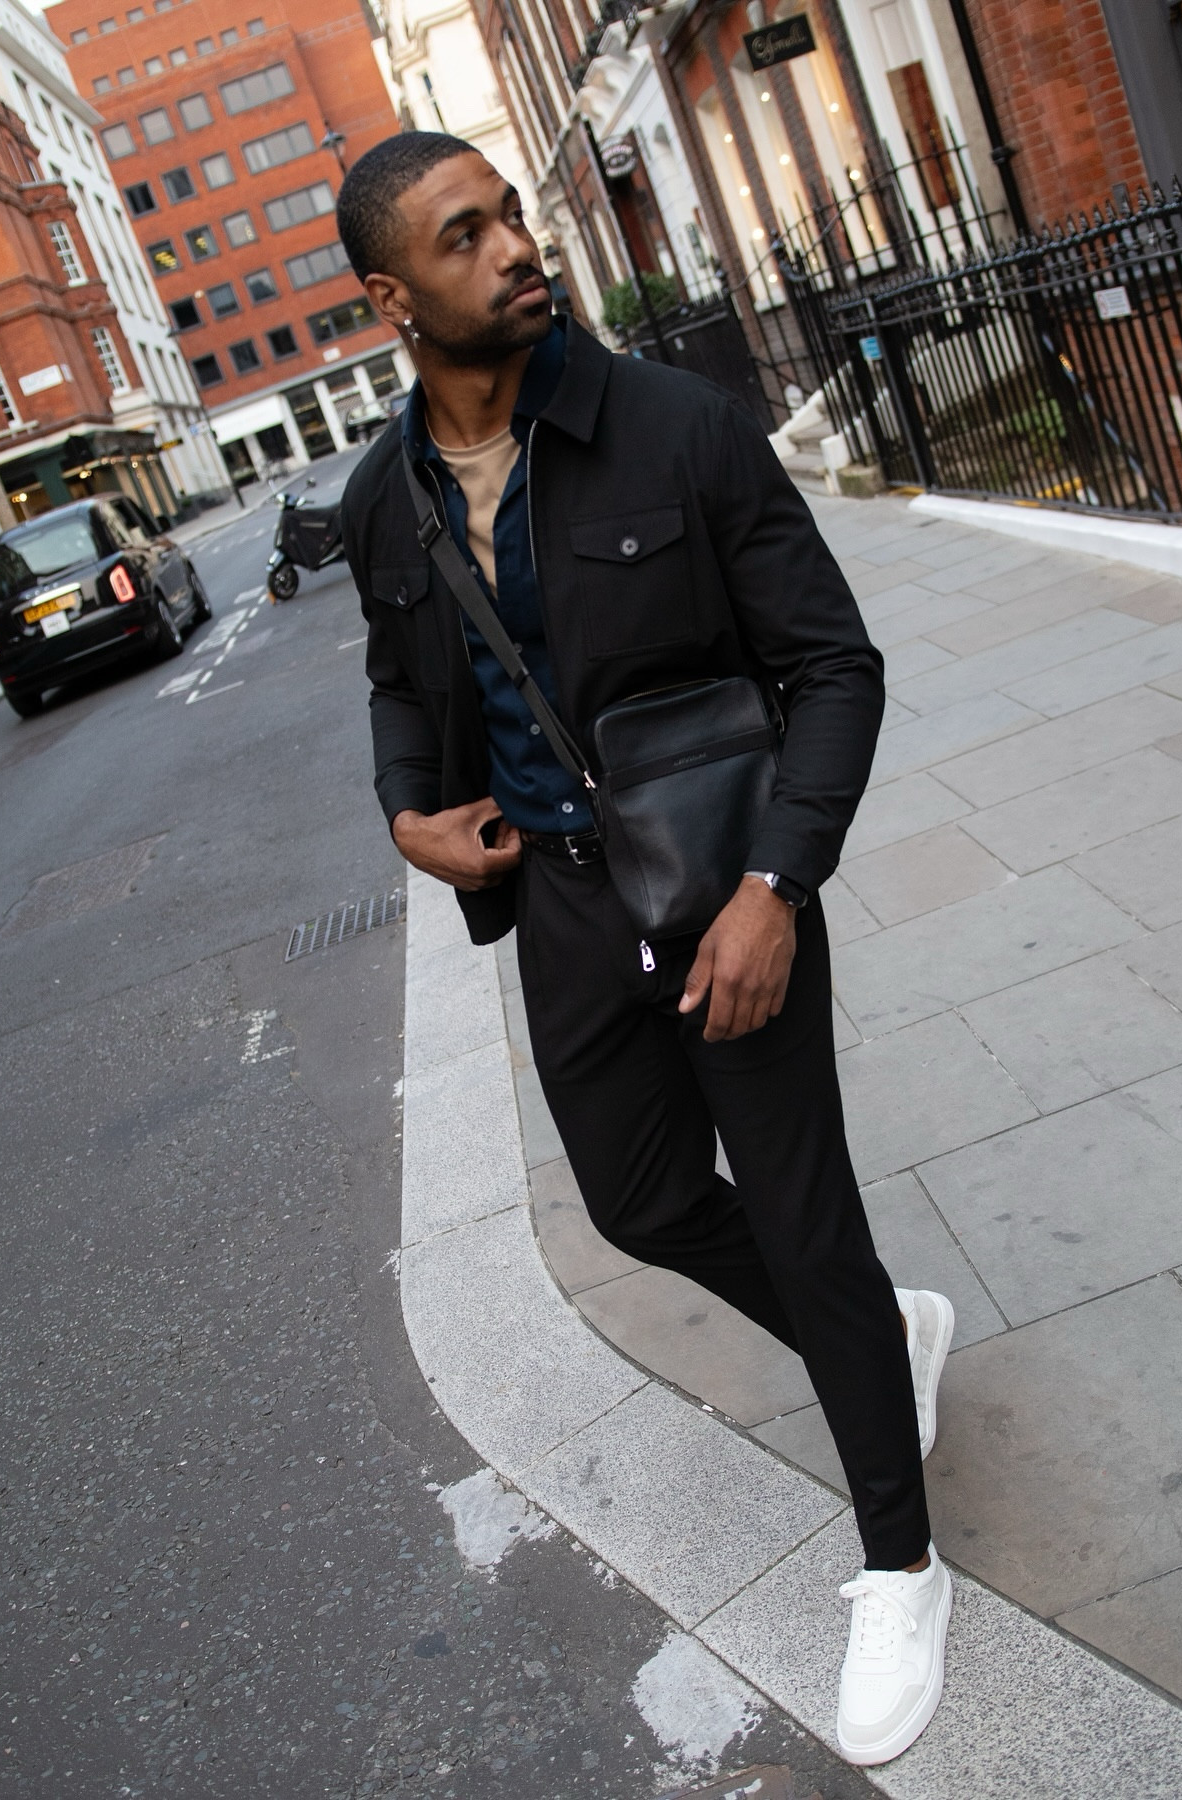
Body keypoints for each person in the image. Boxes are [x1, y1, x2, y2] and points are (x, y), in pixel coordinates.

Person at [336, 131, 955, 1767]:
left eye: (514, 218)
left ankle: (899, 1556)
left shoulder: (676, 429)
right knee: (638, 1200)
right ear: (393, 296)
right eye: (465, 239)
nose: (515, 250)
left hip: (722, 881)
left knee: (804, 1208)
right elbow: (406, 688)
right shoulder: (378, 502)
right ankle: (884, 1340)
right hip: (558, 901)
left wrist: (778, 888)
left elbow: (835, 669)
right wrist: (409, 813)